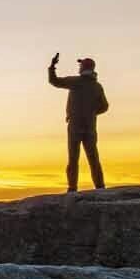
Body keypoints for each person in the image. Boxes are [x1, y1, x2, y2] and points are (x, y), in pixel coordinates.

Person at [47, 52, 109, 191]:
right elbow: (104, 107)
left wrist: (52, 66)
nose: (79, 67)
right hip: (90, 128)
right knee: (93, 158)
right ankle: (100, 187)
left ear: (83, 68)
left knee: (73, 159)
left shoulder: (75, 82)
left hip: (75, 127)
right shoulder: (97, 86)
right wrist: (91, 113)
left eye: (80, 65)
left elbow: (54, 81)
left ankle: (72, 188)